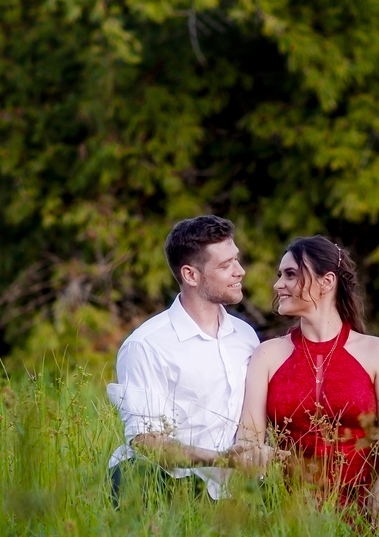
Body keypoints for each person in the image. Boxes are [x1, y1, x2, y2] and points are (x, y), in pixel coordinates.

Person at [235, 236, 379, 521]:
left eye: (291, 274)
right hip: (296, 512)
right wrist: (251, 453)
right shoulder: (267, 355)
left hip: (373, 502)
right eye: (280, 275)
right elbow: (250, 431)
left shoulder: (377, 352)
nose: (278, 284)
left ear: (327, 281)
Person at [106, 215, 273, 503]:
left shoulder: (245, 336)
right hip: (161, 483)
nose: (240, 271)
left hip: (232, 491)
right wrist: (222, 460)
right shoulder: (147, 345)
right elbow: (147, 442)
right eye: (225, 265)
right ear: (191, 275)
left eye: (236, 260)